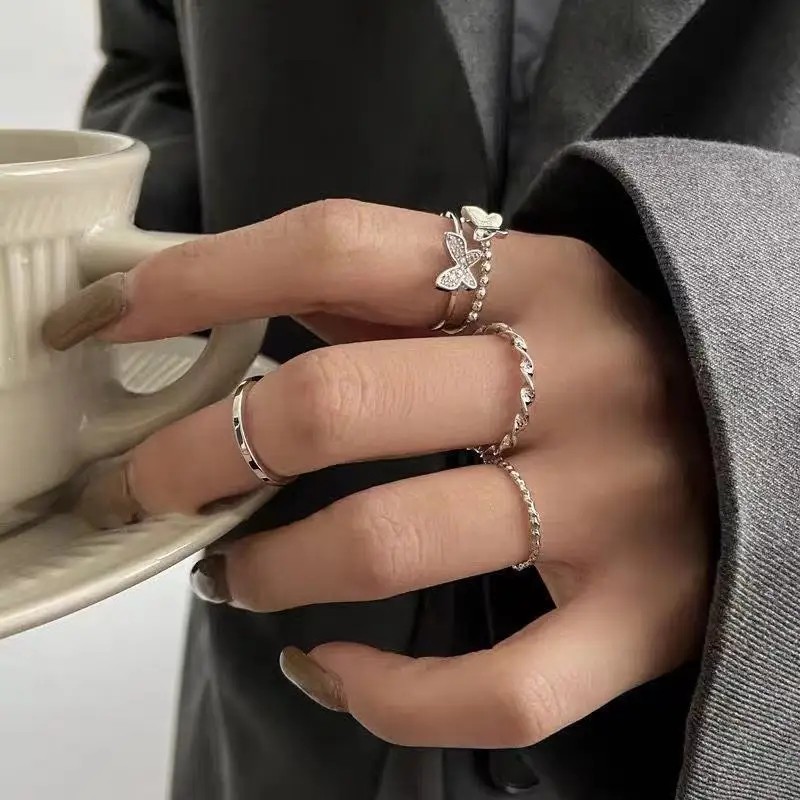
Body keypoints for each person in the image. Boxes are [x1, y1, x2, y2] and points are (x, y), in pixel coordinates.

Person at [42, 2, 800, 799]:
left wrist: (751, 377)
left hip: (710, 691)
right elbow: (151, 63)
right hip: (278, 675)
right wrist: (136, 291)